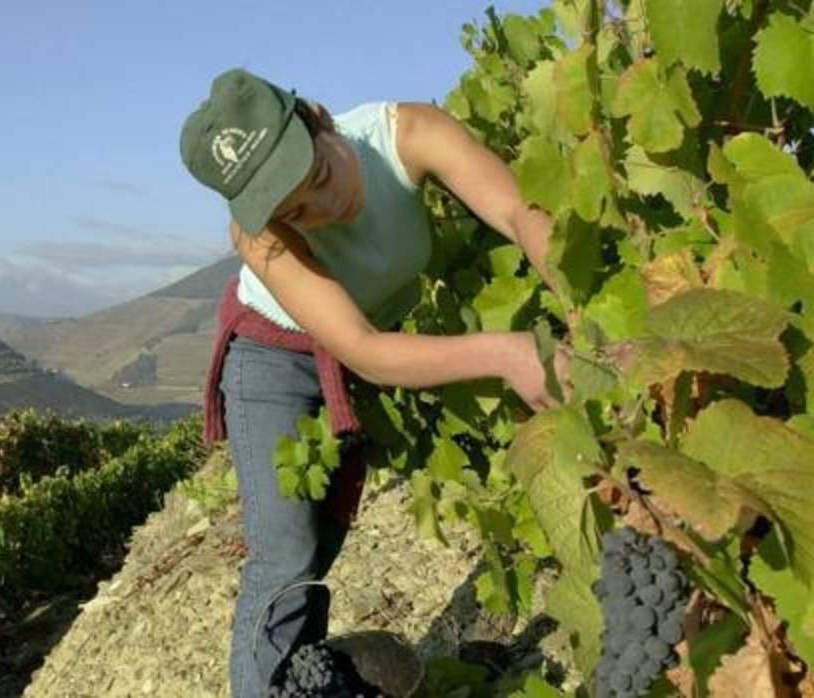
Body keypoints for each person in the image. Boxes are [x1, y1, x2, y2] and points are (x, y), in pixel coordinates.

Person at [180, 67, 572, 697]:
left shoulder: (408, 134)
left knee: (324, 539)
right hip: (273, 358)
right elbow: (363, 350)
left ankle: (298, 681)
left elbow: (519, 212)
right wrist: (508, 353)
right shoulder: (265, 243)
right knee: (284, 557)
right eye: (298, 212)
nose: (325, 209)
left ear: (322, 118)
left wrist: (581, 304)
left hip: (364, 340)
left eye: (322, 177)